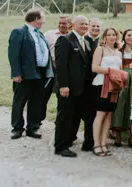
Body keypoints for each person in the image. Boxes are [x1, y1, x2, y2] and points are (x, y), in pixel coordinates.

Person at [52, 15, 95, 157]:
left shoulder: (86, 41)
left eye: (86, 23)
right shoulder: (65, 40)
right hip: (68, 87)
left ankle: (70, 139)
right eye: (81, 23)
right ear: (73, 25)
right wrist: (63, 85)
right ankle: (60, 146)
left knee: (76, 116)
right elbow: (61, 65)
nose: (85, 26)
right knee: (65, 117)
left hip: (82, 89)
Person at [8, 9, 54, 139]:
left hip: (40, 73)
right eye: (42, 18)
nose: (43, 21)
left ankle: (32, 128)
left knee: (36, 101)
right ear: (35, 19)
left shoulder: (39, 34)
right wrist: (16, 73)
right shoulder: (19, 32)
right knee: (20, 100)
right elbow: (13, 54)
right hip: (24, 73)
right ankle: (17, 128)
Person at [90, 28, 123, 157]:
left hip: (114, 86)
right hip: (101, 84)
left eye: (114, 34)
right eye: (108, 35)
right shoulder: (100, 49)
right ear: (104, 37)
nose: (111, 37)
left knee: (109, 114)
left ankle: (104, 143)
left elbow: (119, 69)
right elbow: (95, 67)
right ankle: (96, 144)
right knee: (100, 114)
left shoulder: (118, 52)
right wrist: (111, 72)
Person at [111, 29, 132, 147]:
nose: (131, 37)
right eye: (129, 35)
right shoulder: (118, 51)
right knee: (120, 105)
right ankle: (118, 135)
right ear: (124, 36)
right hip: (122, 78)